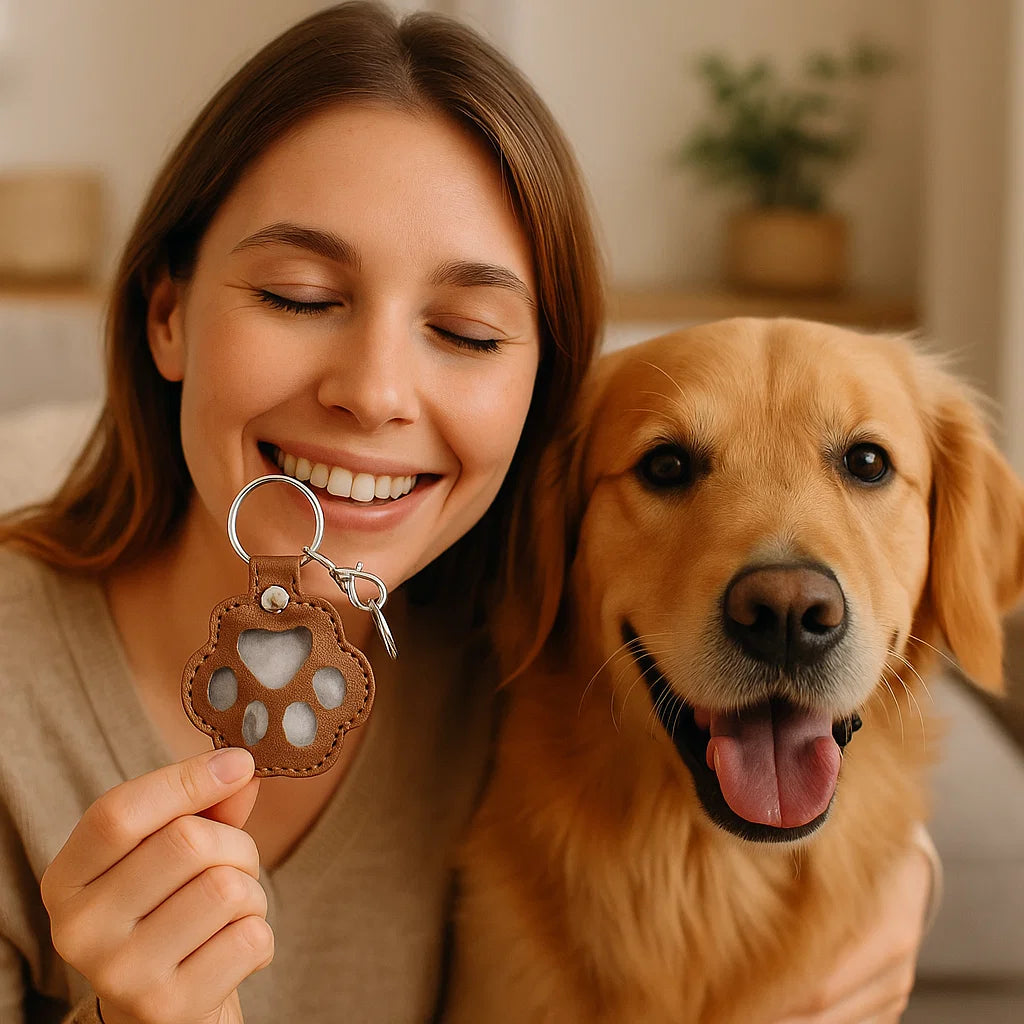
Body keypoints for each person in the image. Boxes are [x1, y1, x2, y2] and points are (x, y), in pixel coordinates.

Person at [0, 4, 936, 1023]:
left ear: (540, 391)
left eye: (466, 329)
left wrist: (900, 873)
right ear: (167, 314)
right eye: (302, 296)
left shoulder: (525, 634)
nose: (376, 391)